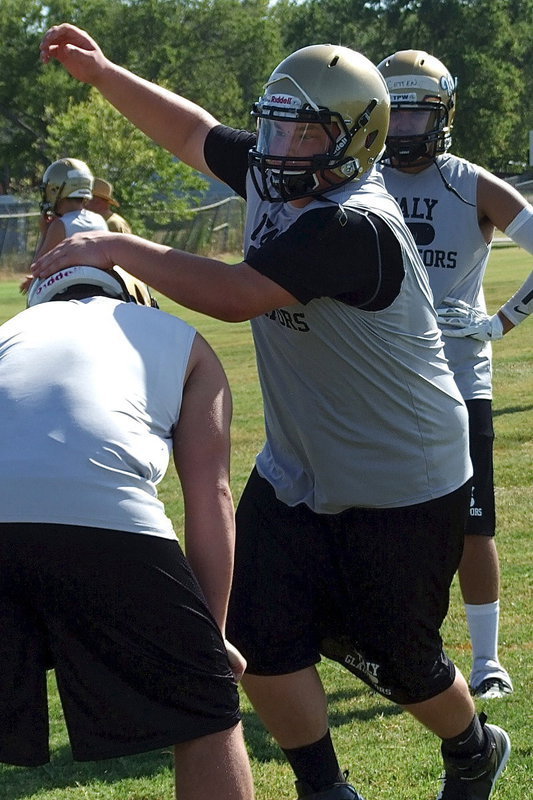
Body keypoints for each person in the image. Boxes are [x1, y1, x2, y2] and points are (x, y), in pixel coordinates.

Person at [33, 24, 512, 800]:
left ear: (356, 139)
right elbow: (189, 130)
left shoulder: (354, 222)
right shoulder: (279, 172)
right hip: (296, 466)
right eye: (275, 122)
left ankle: (468, 747)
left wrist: (118, 248)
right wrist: (104, 72)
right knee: (258, 637)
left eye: (305, 129)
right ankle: (324, 788)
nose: (281, 144)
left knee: (401, 663)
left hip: (400, 475)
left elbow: (233, 295)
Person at [0, 264, 255, 800]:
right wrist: (213, 636)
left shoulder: (8, 336)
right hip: (107, 518)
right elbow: (212, 498)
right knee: (206, 714)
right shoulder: (183, 340)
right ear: (133, 295)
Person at [376, 49, 533, 700]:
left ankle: (489, 660)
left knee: (471, 525)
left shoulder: (470, 183)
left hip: (457, 380)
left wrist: (502, 322)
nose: (406, 125)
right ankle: (397, 647)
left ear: (442, 116)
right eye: (396, 111)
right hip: (379, 378)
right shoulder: (359, 179)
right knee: (383, 519)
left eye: (419, 111)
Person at [35, 157, 108, 257]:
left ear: (55, 189)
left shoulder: (60, 225)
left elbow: (37, 269)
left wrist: (45, 233)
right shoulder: (99, 220)